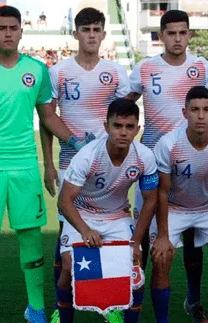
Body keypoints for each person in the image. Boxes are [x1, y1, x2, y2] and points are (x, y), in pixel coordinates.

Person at [0, 5, 93, 323]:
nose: (7, 33)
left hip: (24, 167)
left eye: (13, 28)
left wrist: (76, 143)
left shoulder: (36, 70)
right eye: (1, 27)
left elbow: (48, 117)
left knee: (30, 235)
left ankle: (36, 310)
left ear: (20, 31)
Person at [39, 7, 130, 323]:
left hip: (108, 170)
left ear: (104, 34)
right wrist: (50, 163)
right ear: (75, 33)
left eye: (96, 29)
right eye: (85, 29)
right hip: (70, 167)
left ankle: (112, 304)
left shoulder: (116, 73)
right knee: (66, 233)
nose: (91, 35)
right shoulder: (58, 72)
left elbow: (126, 120)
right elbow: (46, 117)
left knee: (110, 229)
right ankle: (59, 305)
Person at [127, 9, 208, 322]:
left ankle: (193, 300)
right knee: (147, 233)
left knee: (191, 236)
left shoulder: (202, 67)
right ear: (160, 36)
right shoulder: (145, 68)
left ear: (190, 34)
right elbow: (125, 106)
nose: (177, 38)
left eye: (183, 32)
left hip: (191, 163)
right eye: (171, 33)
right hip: (150, 163)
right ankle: (131, 303)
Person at [57, 99, 158, 323]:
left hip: (117, 216)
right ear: (106, 127)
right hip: (82, 214)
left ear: (137, 129)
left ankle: (126, 317)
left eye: (129, 127)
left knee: (135, 271)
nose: (123, 132)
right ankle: (62, 314)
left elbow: (151, 201)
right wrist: (85, 230)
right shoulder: (88, 155)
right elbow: (64, 201)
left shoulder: (145, 157)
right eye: (117, 126)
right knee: (67, 266)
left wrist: (136, 242)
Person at [150, 86, 208, 323]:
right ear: (184, 112)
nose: (201, 116)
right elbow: (162, 191)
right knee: (161, 257)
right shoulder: (168, 144)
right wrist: (162, 235)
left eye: (206, 110)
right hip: (174, 208)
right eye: (195, 110)